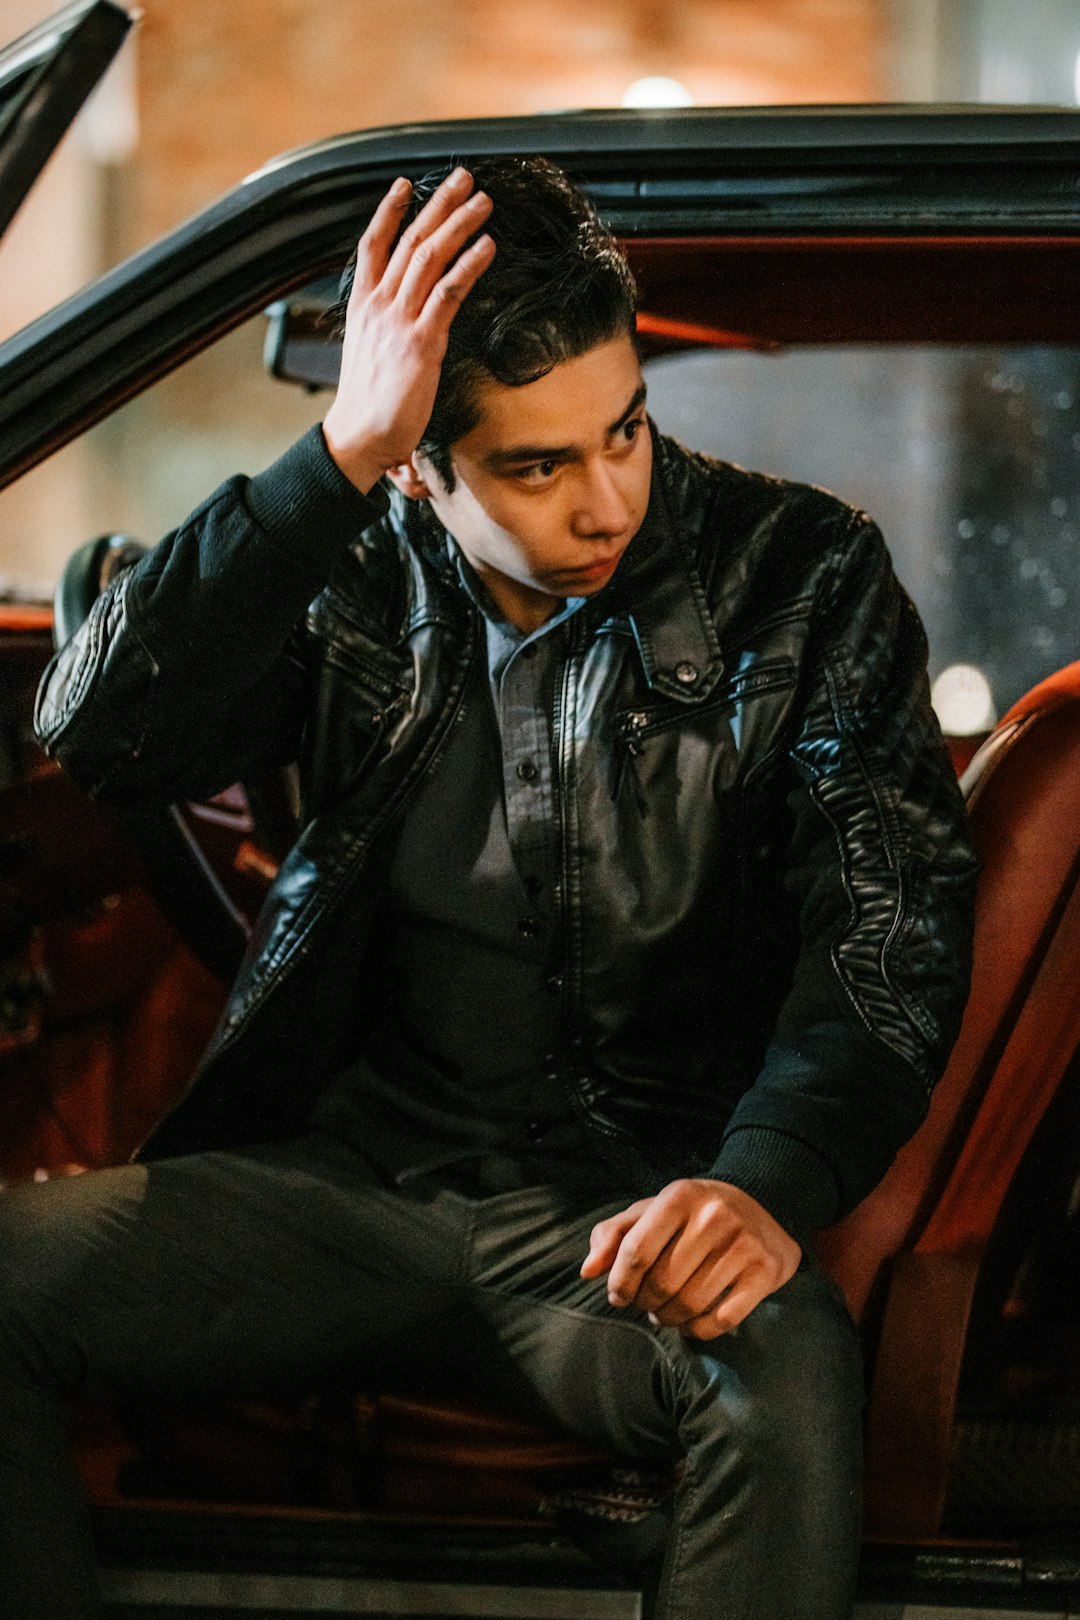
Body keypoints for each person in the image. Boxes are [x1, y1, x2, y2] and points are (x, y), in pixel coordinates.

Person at [9, 158, 977, 1618]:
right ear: (417, 466)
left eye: (627, 432)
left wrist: (759, 1185)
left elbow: (888, 920)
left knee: (779, 1358)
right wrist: (325, 464)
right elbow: (103, 728)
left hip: (619, 1223)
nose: (609, 502)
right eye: (538, 467)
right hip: (350, 1194)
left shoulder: (800, 573)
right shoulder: (348, 568)